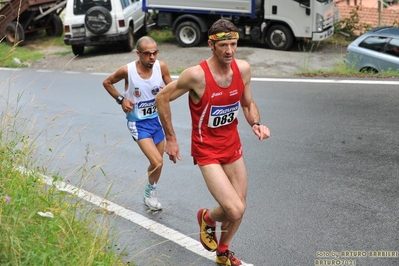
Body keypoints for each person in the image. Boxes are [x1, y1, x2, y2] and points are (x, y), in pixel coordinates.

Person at [155, 19, 270, 266]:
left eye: (233, 44)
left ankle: (223, 251)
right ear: (211, 45)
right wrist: (171, 139)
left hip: (232, 145)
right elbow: (162, 98)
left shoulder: (243, 69)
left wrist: (256, 124)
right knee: (234, 209)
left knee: (240, 206)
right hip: (206, 150)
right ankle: (207, 217)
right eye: (223, 45)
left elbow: (248, 104)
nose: (229, 51)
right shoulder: (196, 76)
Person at [103, 36, 172, 211]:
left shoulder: (161, 67)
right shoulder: (128, 71)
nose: (152, 57)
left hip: (156, 121)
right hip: (138, 124)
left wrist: (168, 91)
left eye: (155, 52)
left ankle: (150, 191)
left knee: (159, 162)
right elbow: (107, 82)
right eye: (148, 53)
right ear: (138, 53)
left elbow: (173, 87)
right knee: (156, 161)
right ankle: (150, 194)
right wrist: (121, 100)